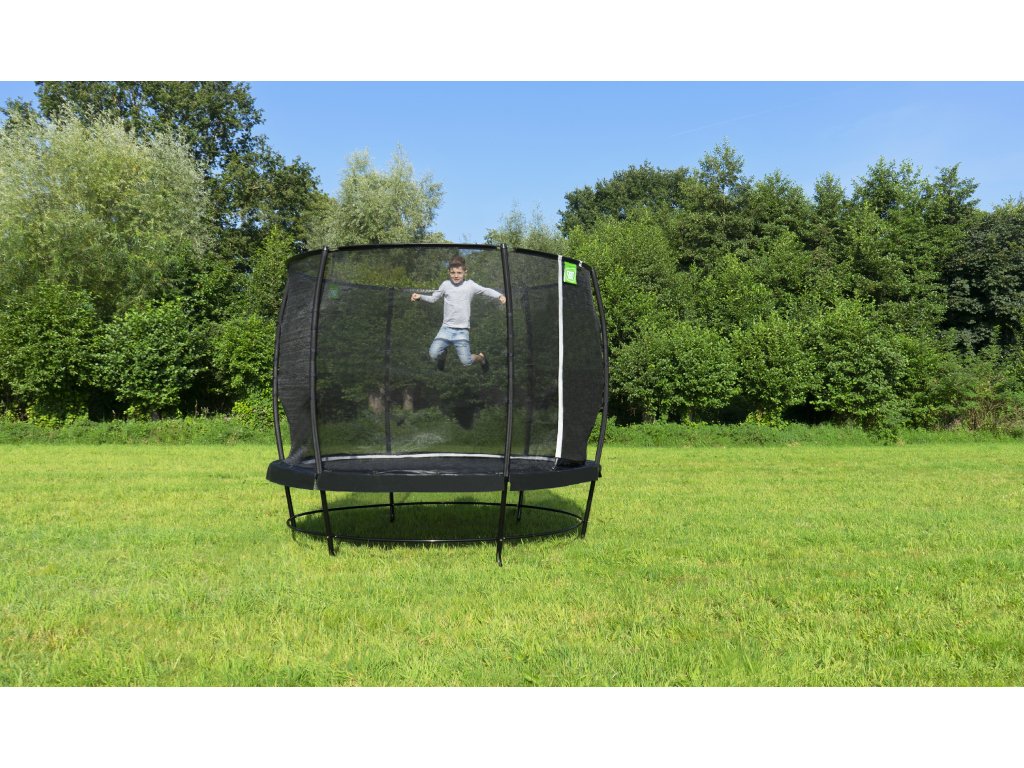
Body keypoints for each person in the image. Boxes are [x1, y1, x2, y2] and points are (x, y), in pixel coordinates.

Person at [411, 255, 506, 371]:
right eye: (453, 273)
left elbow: (485, 290)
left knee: (466, 362)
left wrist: (499, 295)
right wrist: (420, 296)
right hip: (446, 328)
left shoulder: (470, 285)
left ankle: (481, 358)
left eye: (459, 273)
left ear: (465, 272)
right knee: (433, 354)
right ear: (449, 272)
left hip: (462, 331)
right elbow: (433, 298)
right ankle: (443, 355)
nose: (456, 276)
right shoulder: (445, 285)